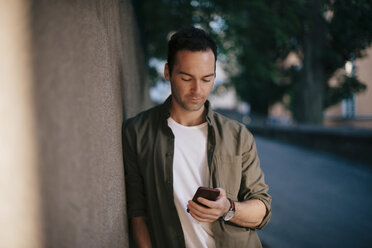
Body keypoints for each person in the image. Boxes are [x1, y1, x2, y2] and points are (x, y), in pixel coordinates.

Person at [122, 26, 271, 248]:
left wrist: (227, 208)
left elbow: (262, 210)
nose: (197, 90)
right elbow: (138, 213)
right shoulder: (137, 132)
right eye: (186, 78)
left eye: (206, 79)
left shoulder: (238, 135)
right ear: (167, 72)